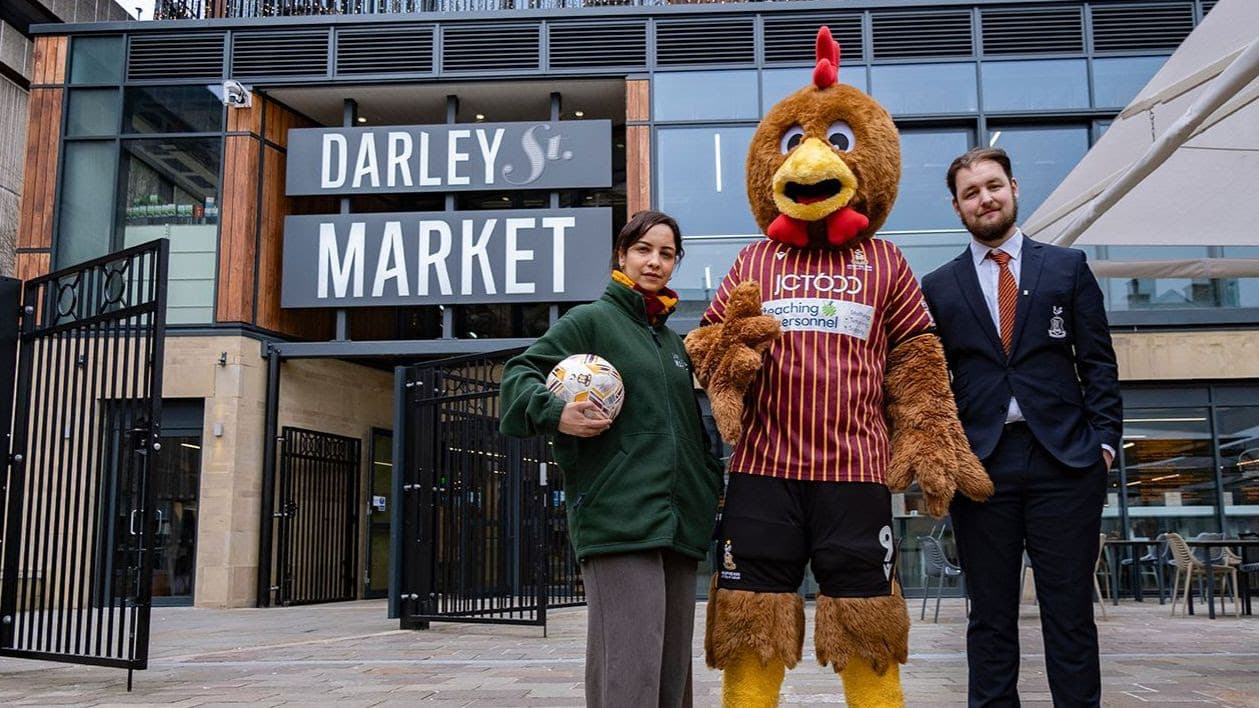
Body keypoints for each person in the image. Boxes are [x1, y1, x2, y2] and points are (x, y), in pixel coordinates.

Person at [921, 146, 1123, 707]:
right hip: (982, 469)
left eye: (992, 186)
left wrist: (1104, 445)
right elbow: (931, 383)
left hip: (1067, 464)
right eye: (970, 193)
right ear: (957, 208)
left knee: (1070, 615)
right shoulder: (937, 286)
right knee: (989, 618)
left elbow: (1099, 364)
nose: (984, 198)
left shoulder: (1067, 267)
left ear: (1013, 187)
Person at [499, 209, 724, 708]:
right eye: (644, 249)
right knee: (630, 668)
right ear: (622, 255)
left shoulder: (673, 343)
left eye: (667, 254)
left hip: (679, 523)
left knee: (671, 675)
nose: (655, 262)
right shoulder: (591, 321)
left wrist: (709, 481)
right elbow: (518, 376)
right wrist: (558, 412)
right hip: (618, 519)